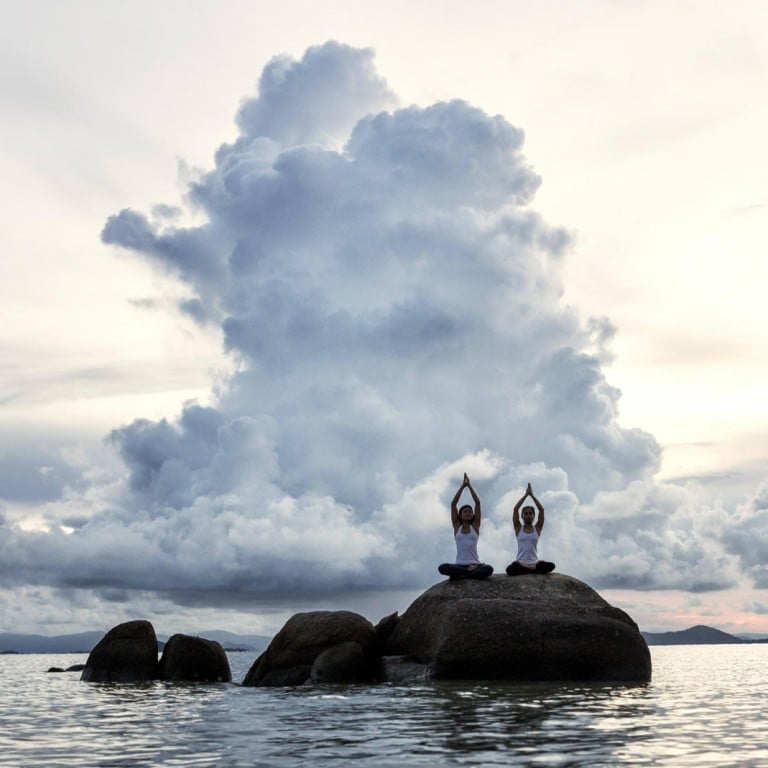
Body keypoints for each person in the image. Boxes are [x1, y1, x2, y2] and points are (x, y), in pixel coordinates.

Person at [438, 473, 493, 580]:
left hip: (475, 564)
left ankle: (462, 575)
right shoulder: (457, 527)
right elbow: (453, 504)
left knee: (489, 569)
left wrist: (470, 486)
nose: (468, 513)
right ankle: (467, 572)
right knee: (442, 567)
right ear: (460, 515)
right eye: (465, 512)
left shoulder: (475, 526)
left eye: (470, 511)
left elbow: (477, 503)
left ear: (473, 515)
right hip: (459, 565)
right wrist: (463, 486)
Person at [506, 483, 555, 575]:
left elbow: (541, 510)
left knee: (551, 565)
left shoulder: (537, 528)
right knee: (510, 570)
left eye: (530, 513)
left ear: (533, 516)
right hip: (520, 562)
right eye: (526, 513)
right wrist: (526, 495)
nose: (528, 515)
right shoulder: (518, 528)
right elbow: (515, 509)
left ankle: (528, 567)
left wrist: (532, 495)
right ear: (522, 516)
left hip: (534, 562)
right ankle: (531, 568)